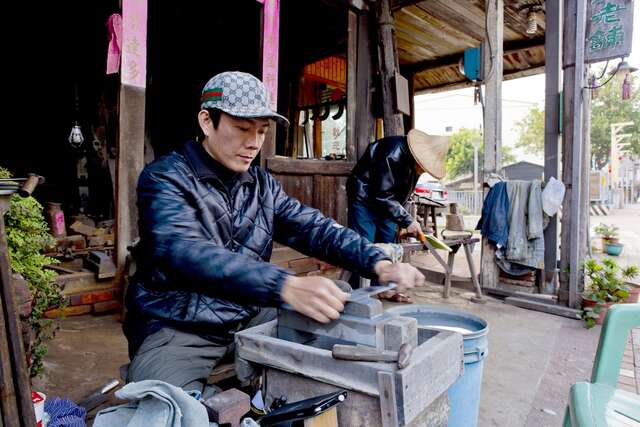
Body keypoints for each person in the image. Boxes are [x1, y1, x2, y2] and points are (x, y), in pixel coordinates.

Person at [122, 71, 425, 395]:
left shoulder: (261, 184)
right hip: (180, 322)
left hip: (250, 310)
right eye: (241, 129)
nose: (253, 143)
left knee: (334, 299)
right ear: (207, 121)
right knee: (163, 401)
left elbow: (314, 228)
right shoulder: (164, 178)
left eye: (262, 131)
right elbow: (185, 252)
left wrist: (378, 262)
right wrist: (285, 285)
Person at [346, 130, 450, 296]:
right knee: (364, 245)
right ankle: (358, 294)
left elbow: (403, 196)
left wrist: (403, 223)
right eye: (423, 167)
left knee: (388, 246)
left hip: (388, 205)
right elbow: (380, 194)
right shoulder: (391, 153)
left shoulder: (415, 164)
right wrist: (407, 220)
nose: (423, 170)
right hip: (365, 199)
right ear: (418, 155)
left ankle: (382, 289)